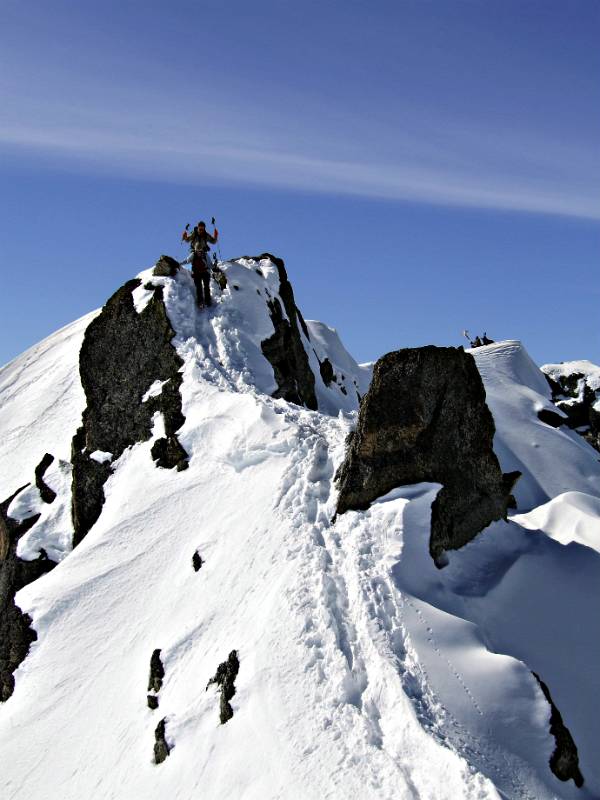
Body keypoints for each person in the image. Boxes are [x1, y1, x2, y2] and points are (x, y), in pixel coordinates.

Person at [181, 220, 219, 308]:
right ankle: (201, 302)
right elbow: (187, 241)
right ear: (198, 228)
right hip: (197, 267)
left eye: (202, 228)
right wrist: (185, 236)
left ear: (204, 228)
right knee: (199, 287)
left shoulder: (206, 235)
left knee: (205, 287)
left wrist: (215, 236)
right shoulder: (194, 234)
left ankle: (207, 301)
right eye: (200, 228)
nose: (201, 230)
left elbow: (213, 241)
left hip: (202, 266)